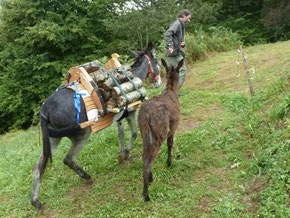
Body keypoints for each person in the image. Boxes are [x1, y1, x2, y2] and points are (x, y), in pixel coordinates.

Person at [164, 9, 192, 95]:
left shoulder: (182, 25)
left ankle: (171, 91)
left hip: (177, 53)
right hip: (172, 54)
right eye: (188, 18)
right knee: (182, 70)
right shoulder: (177, 24)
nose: (189, 20)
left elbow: (177, 39)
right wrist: (170, 46)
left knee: (177, 72)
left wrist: (182, 44)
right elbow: (168, 34)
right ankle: (170, 91)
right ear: (183, 16)